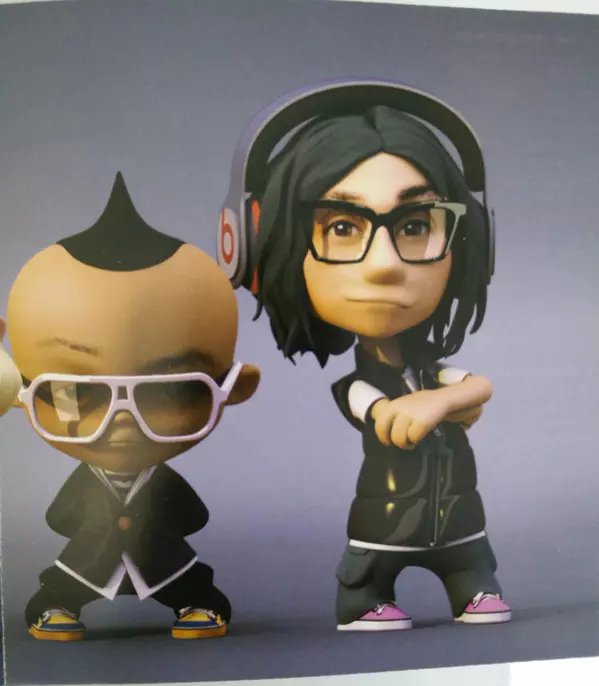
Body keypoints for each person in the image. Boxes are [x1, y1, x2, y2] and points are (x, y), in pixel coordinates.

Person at [218, 80, 510, 631]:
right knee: (370, 568)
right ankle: (364, 598)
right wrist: (438, 405)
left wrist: (440, 401)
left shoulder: (432, 371)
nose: (383, 265)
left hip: (457, 514)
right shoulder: (356, 386)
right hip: (387, 517)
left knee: (470, 560)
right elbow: (386, 417)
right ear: (253, 244)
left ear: (473, 241)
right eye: (342, 227)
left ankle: (471, 586)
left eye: (416, 225)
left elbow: (478, 386)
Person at [5, 172, 260, 641]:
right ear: (17, 391)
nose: (122, 421)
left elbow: (191, 516)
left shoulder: (160, 481)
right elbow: (61, 518)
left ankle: (200, 606)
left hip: (161, 558)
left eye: (171, 391)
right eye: (74, 392)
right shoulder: (89, 482)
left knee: (190, 584)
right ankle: (56, 607)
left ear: (234, 388)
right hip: (89, 558)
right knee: (62, 586)